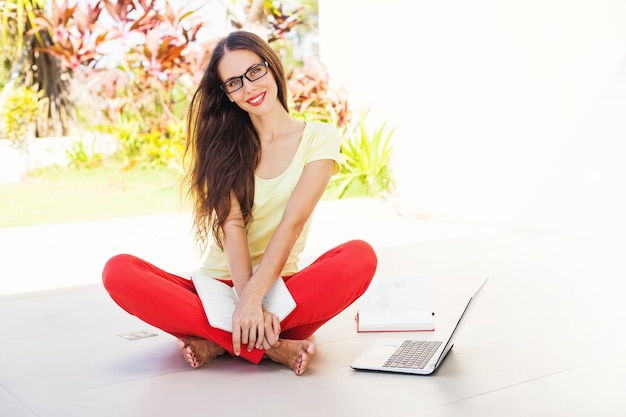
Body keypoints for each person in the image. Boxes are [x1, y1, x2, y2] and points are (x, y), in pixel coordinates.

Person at [102, 30, 377, 376]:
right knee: (119, 271)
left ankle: (219, 341)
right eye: (234, 83)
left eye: (254, 72)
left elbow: (292, 223)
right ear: (227, 95)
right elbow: (233, 227)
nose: (249, 88)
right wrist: (244, 300)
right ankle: (273, 346)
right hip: (218, 288)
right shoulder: (224, 147)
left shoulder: (319, 138)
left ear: (271, 67)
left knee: (360, 256)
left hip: (282, 289)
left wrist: (253, 300)